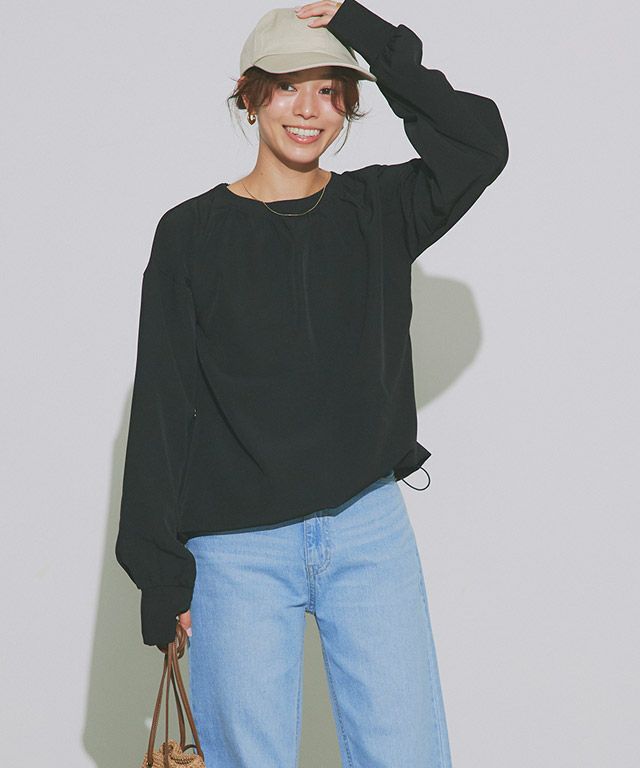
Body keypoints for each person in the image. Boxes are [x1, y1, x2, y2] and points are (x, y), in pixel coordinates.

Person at [115, 0, 508, 764]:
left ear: (350, 105)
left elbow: (478, 143)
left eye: (330, 90)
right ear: (250, 95)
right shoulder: (191, 234)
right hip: (235, 549)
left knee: (407, 754)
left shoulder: (380, 208)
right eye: (288, 86)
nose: (308, 110)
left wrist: (367, 35)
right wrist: (161, 574)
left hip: (368, 528)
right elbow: (164, 402)